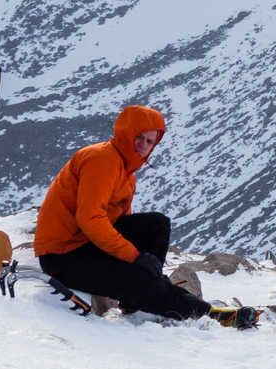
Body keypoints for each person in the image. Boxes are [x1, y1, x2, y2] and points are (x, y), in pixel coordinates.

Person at [34, 104, 257, 329]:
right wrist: (132, 256)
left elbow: (123, 220)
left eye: (150, 141)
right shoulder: (102, 159)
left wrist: (134, 256)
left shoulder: (125, 169)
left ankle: (136, 298)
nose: (143, 146)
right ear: (125, 133)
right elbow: (90, 218)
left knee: (157, 225)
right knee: (141, 277)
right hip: (62, 255)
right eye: (138, 137)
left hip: (86, 242)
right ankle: (210, 314)